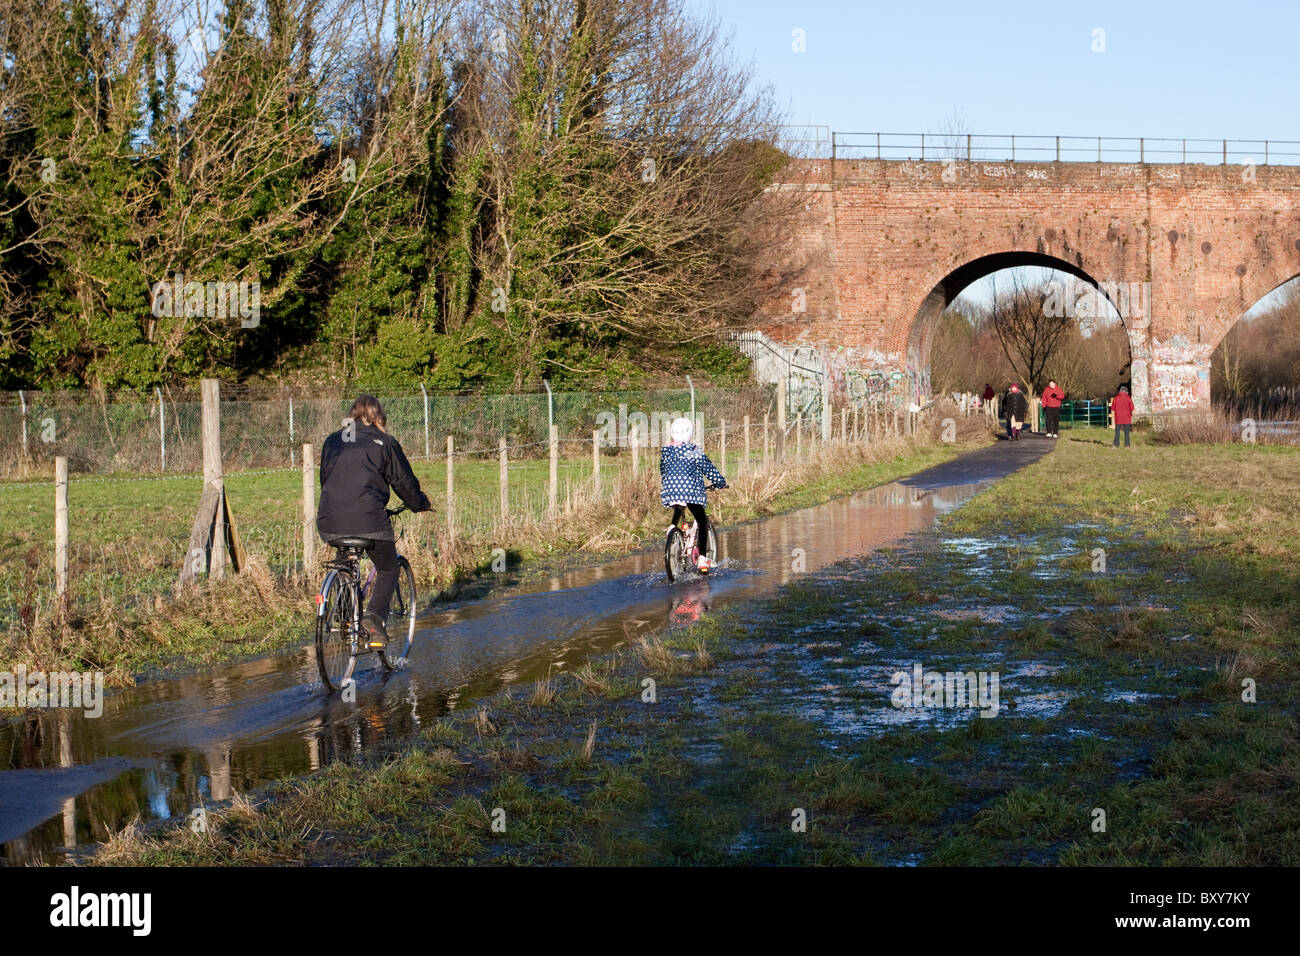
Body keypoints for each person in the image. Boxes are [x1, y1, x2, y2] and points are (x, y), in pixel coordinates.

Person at [317, 395, 433, 647]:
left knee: (345, 558)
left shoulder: (333, 441)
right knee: (389, 567)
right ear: (379, 417)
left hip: (329, 519)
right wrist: (420, 503)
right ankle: (372, 618)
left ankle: (346, 616)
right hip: (369, 519)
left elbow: (326, 480)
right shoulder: (385, 442)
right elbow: (403, 483)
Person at [660, 417, 727, 573]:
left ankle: (672, 528)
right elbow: (708, 469)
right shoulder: (693, 451)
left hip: (670, 490)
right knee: (702, 521)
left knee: (678, 503)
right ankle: (703, 558)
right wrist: (720, 482)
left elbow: (663, 470)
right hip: (690, 491)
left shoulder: (666, 451)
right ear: (690, 434)